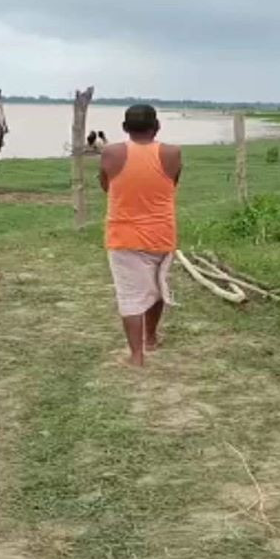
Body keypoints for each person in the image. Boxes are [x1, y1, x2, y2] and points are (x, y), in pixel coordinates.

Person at [100, 105, 183, 367]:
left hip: (124, 235)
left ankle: (136, 356)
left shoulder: (111, 152)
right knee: (156, 288)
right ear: (156, 127)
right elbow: (173, 183)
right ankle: (151, 338)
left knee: (130, 295)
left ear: (125, 128)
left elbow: (106, 184)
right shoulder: (172, 153)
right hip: (162, 234)